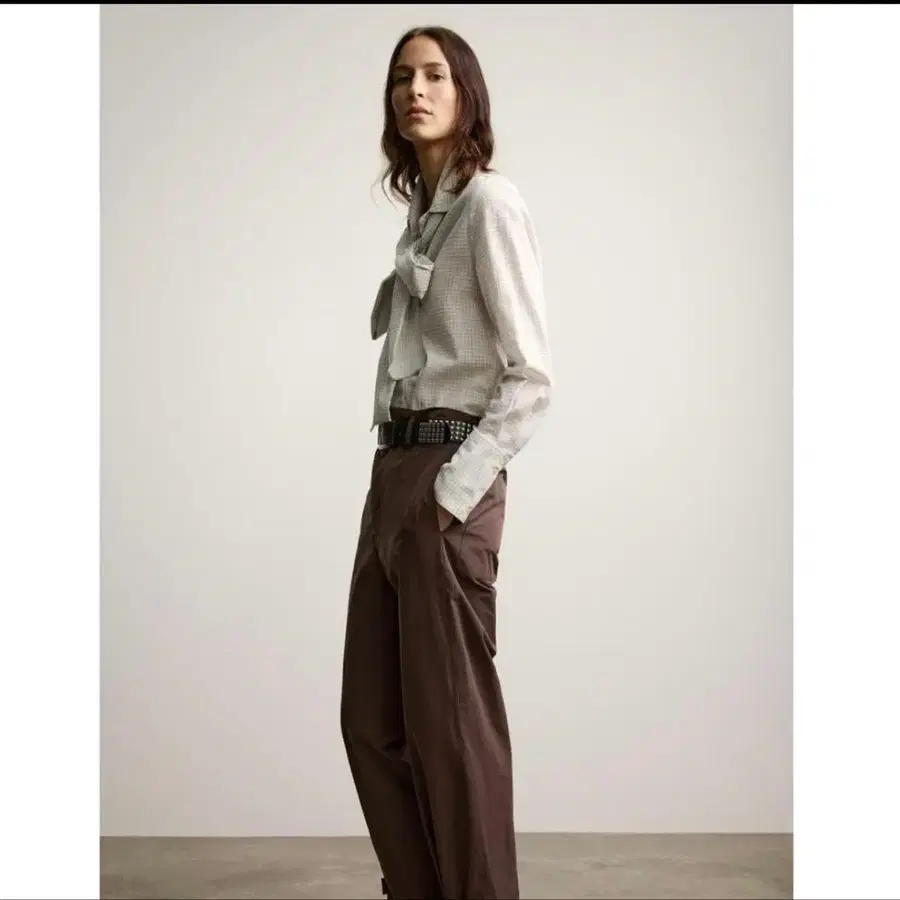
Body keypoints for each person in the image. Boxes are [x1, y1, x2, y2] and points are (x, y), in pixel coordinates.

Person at [339, 24, 553, 900]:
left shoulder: (491, 204)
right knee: (371, 722)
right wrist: (401, 494)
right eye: (402, 77)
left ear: (466, 93)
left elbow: (531, 376)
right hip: (393, 472)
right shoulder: (422, 223)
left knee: (454, 731)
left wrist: (451, 494)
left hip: (445, 476)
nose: (414, 90)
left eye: (434, 75)